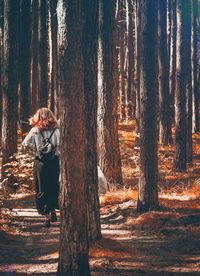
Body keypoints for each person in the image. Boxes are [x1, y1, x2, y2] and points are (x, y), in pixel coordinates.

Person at [22, 108, 60, 227]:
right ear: (51, 116)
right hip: (54, 162)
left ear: (37, 117)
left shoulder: (35, 130)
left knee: (42, 188)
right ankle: (53, 210)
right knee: (54, 186)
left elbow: (25, 144)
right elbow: (61, 145)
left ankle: (47, 218)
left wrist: (37, 148)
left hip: (40, 163)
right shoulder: (57, 130)